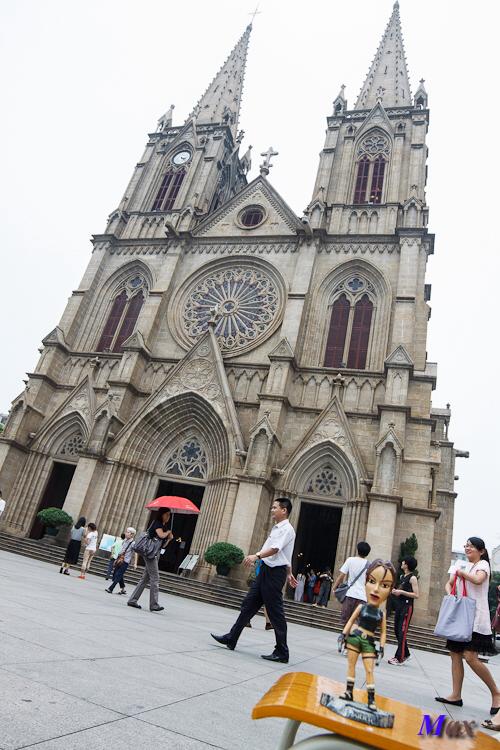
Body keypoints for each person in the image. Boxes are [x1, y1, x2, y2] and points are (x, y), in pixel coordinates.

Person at [211, 497, 298, 663]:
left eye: (275, 508)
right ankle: (232, 638)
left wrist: (256, 556)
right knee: (248, 604)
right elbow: (285, 555)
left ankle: (282, 652)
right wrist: (289, 573)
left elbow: (275, 549)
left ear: (284, 510)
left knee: (275, 612)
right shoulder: (277, 528)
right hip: (266, 570)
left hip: (274, 574)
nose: (272, 510)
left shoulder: (287, 529)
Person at [435, 537, 500, 716]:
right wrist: (451, 593)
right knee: (455, 654)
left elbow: (478, 580)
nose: (467, 548)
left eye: (471, 546)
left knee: (471, 657)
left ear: (481, 551)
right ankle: (455, 695)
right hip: (460, 617)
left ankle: (496, 693)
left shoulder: (483, 565)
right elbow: (449, 583)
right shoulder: (461, 565)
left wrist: (461, 573)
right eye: (466, 545)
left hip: (476, 619)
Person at [339, 559, 395, 711]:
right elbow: (351, 621)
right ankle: (348, 692)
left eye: (384, 585)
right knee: (351, 665)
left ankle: (371, 699)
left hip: (369, 642)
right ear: (365, 582)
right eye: (371, 581)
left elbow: (383, 632)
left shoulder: (381, 614)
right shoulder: (361, 608)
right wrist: (343, 635)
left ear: (390, 590)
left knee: (369, 670)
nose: (376, 589)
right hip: (355, 638)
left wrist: (381, 647)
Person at [127, 508, 173, 612]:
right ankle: (154, 604)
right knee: (155, 577)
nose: (168, 517)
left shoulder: (164, 527)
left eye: (169, 515)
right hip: (150, 554)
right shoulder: (157, 524)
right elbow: (161, 535)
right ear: (162, 514)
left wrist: (169, 539)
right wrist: (168, 533)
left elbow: (163, 545)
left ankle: (132, 600)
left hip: (155, 553)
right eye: (167, 514)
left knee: (145, 579)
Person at [388, 556, 419, 665]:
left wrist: (401, 592)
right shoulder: (402, 576)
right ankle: (406, 653)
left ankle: (399, 658)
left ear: (407, 565)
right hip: (399, 606)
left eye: (403, 562)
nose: (401, 563)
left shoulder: (412, 578)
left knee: (402, 632)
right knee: (397, 631)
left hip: (407, 607)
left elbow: (416, 595)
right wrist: (395, 591)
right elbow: (401, 590)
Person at [333, 541, 371, 625]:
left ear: (357, 549)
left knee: (345, 620)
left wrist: (334, 588)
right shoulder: (369, 565)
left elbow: (341, 576)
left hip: (350, 594)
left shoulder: (350, 560)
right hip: (362, 596)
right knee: (357, 621)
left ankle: (345, 633)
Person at [105, 527, 136, 595]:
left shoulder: (133, 543)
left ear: (132, 535)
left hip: (125, 561)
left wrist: (135, 563)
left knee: (118, 575)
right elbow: (121, 550)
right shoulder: (124, 540)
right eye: (126, 531)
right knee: (118, 574)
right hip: (119, 559)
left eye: (128, 532)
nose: (126, 533)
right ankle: (123, 589)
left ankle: (111, 588)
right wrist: (116, 559)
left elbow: (135, 553)